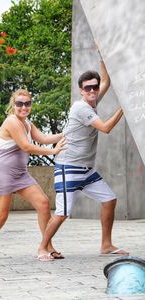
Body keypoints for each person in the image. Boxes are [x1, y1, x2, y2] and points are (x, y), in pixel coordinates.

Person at [38, 60, 129, 257]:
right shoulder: (81, 108)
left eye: (94, 87)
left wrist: (103, 57)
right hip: (68, 166)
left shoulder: (93, 100)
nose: (93, 90)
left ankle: (106, 245)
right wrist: (124, 107)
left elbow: (106, 81)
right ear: (81, 90)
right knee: (62, 213)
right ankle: (42, 248)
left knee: (109, 199)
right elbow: (105, 128)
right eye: (88, 88)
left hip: (86, 169)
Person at [0, 89, 66, 262]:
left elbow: (42, 138)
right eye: (19, 103)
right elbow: (27, 147)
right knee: (1, 216)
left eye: (27, 103)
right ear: (13, 105)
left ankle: (47, 246)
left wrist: (67, 133)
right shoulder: (11, 121)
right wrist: (53, 151)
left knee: (43, 203)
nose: (23, 107)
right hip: (2, 174)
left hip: (20, 174)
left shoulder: (27, 123)